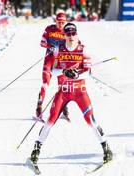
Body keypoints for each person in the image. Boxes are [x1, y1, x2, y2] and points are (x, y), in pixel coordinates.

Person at [27, 23, 113, 174]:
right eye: (68, 33)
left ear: (77, 34)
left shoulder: (83, 50)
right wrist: (64, 71)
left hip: (80, 91)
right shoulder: (58, 49)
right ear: (64, 35)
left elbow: (88, 72)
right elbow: (51, 69)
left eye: (73, 33)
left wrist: (77, 74)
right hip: (64, 91)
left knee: (90, 121)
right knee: (50, 121)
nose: (71, 36)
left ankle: (107, 149)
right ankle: (35, 153)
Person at [36, 12, 70, 120]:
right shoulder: (49, 29)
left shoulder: (68, 31)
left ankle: (64, 107)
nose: (60, 24)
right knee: (45, 83)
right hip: (49, 60)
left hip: (61, 63)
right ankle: (39, 107)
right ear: (55, 21)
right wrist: (51, 46)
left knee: (62, 86)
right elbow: (42, 42)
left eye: (63, 22)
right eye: (59, 22)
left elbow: (74, 45)